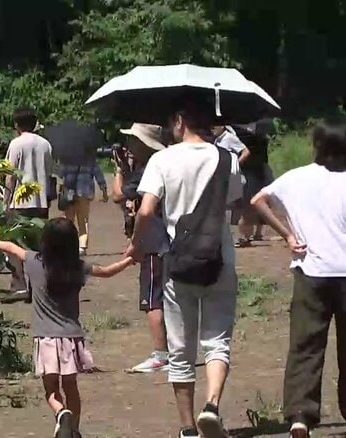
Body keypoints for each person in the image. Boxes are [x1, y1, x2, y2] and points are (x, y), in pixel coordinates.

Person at [126, 100, 242, 438]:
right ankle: (212, 405)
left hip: (178, 262)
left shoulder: (162, 159)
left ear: (179, 121)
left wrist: (136, 242)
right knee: (217, 341)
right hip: (219, 259)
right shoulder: (227, 159)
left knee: (180, 347)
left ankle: (187, 428)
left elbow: (146, 211)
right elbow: (233, 203)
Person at [0, 218, 134, 438]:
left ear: (45, 241)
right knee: (72, 388)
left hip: (45, 339)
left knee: (51, 390)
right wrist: (129, 260)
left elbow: (12, 248)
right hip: (71, 338)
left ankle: (61, 413)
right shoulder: (78, 268)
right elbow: (108, 271)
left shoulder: (34, 262)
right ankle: (75, 430)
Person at [250, 118, 346, 438]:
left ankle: (300, 416)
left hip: (311, 272)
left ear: (317, 145)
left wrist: (288, 234)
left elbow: (258, 201)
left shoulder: (297, 178)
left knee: (305, 345)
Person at [112, 123, 170, 373]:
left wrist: (118, 171)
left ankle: (161, 354)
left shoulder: (147, 170)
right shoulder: (164, 165)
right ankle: (173, 349)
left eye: (134, 141)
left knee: (152, 300)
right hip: (171, 240)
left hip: (154, 243)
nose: (130, 146)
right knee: (168, 298)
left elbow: (118, 195)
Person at [4, 107, 54, 297]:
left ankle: (19, 284)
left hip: (19, 202)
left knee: (15, 243)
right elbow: (49, 172)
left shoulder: (16, 144)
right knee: (39, 244)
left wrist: (6, 200)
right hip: (40, 201)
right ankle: (39, 284)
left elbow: (10, 174)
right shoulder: (45, 144)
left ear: (16, 124)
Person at [232, 121, 275, 246]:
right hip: (246, 168)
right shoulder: (234, 128)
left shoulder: (261, 125)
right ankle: (244, 236)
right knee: (247, 203)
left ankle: (258, 233)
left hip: (261, 166)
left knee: (265, 199)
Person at [58, 155, 108, 254]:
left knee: (69, 220)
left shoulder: (67, 158)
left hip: (69, 192)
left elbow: (60, 174)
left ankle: (68, 244)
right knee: (83, 220)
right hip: (85, 192)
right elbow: (98, 174)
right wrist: (104, 190)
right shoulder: (90, 159)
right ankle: (82, 246)